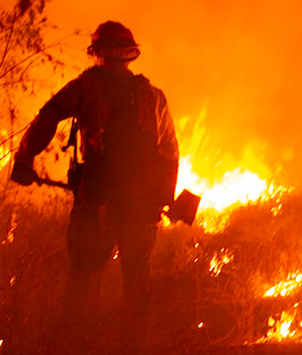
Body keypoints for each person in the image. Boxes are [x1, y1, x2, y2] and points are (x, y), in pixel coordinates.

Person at [11, 21, 180, 328]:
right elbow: (170, 152)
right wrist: (162, 199)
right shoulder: (154, 96)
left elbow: (47, 115)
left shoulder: (86, 87)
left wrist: (24, 160)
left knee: (86, 272)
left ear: (97, 53)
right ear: (130, 55)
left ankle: (78, 350)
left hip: (96, 201)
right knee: (137, 276)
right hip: (141, 206)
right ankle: (132, 353)